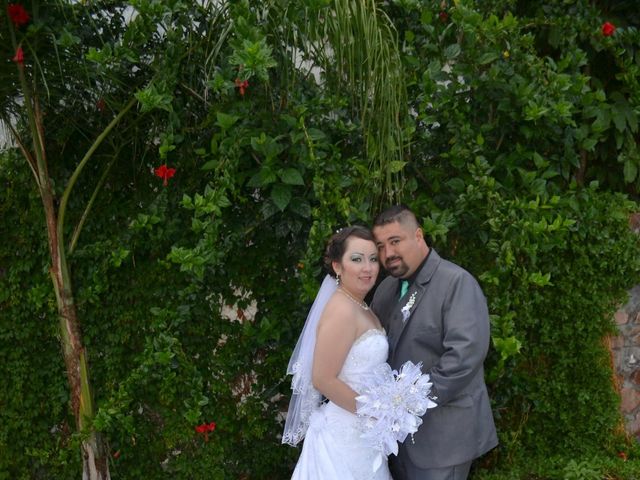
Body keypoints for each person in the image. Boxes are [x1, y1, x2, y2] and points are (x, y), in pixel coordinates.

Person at [371, 205, 498, 480]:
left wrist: (408, 403)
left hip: (444, 439)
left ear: (418, 236)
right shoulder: (384, 290)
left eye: (395, 241)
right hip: (397, 442)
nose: (388, 254)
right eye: (381, 246)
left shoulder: (456, 282)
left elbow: (463, 357)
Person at [282, 226, 392, 479]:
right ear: (337, 266)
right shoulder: (342, 309)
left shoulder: (360, 305)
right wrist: (374, 411)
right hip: (345, 434)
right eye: (357, 259)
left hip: (361, 432)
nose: (368, 268)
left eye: (373, 259)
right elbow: (323, 379)